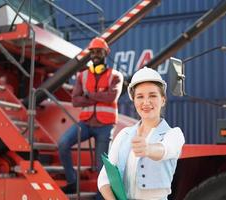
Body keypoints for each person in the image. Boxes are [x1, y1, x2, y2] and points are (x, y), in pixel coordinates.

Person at [97, 67, 185, 200]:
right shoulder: (123, 135)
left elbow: (165, 149)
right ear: (134, 101)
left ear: (163, 100)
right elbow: (104, 179)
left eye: (152, 95)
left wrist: (148, 149)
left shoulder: (174, 134)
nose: (146, 102)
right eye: (140, 97)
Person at [58, 37, 124, 196]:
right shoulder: (82, 76)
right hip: (86, 123)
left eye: (98, 51)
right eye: (92, 51)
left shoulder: (115, 76)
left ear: (106, 53)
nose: (95, 54)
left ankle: (101, 196)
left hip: (105, 126)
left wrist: (88, 95)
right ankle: (72, 181)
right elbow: (75, 101)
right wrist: (99, 94)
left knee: (102, 165)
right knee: (63, 143)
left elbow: (111, 97)